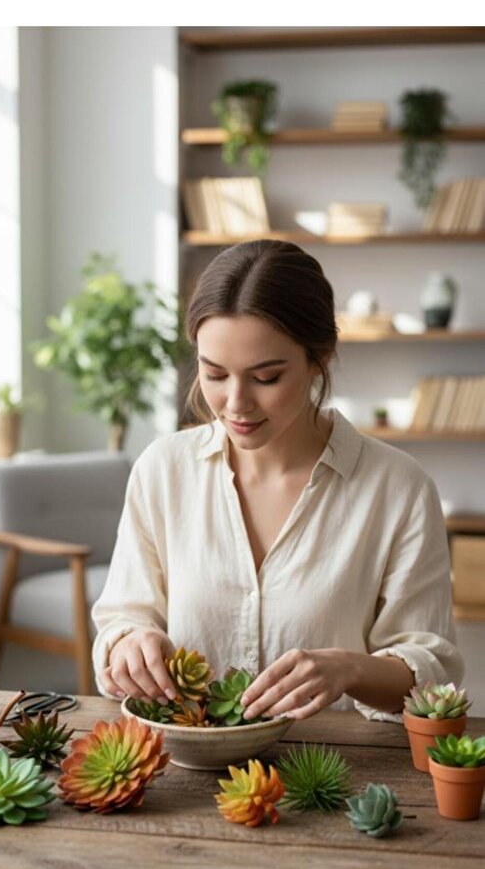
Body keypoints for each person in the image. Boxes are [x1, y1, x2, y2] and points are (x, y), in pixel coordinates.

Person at [91, 239, 464, 723]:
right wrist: (129, 644)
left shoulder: (399, 489)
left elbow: (433, 671)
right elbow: (122, 619)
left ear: (319, 357)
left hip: (334, 761)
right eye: (214, 374)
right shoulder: (162, 470)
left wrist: (350, 669)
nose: (236, 404)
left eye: (266, 378)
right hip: (185, 760)